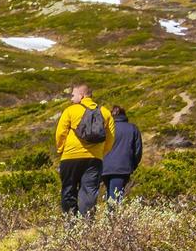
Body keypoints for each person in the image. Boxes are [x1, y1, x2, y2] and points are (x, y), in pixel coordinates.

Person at [55, 84, 116, 218]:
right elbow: (110, 139)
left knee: (68, 190)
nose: (71, 99)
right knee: (89, 191)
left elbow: (60, 133)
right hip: (94, 159)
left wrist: (61, 149)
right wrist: (100, 153)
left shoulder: (70, 111)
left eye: (73, 95)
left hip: (70, 157)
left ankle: (70, 222)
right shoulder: (105, 112)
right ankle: (86, 225)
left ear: (81, 96)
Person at [100, 105, 143, 204]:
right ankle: (113, 217)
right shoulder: (132, 128)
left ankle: (110, 216)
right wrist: (132, 165)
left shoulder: (105, 128)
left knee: (111, 193)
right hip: (123, 167)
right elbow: (138, 150)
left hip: (104, 167)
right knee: (116, 196)